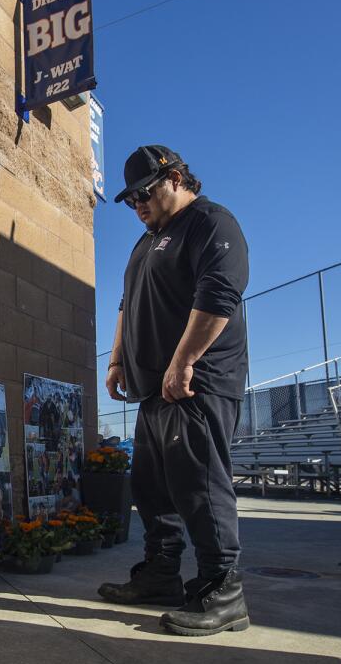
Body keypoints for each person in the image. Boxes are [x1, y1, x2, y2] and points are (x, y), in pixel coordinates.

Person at [99, 145, 251, 637]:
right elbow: (126, 305)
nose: (138, 204)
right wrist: (119, 358)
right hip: (153, 389)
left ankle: (223, 592)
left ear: (177, 178)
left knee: (199, 486)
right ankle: (161, 575)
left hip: (196, 385)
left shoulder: (210, 223)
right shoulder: (145, 243)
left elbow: (220, 295)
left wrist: (184, 361)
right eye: (129, 200)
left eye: (145, 192)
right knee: (152, 489)